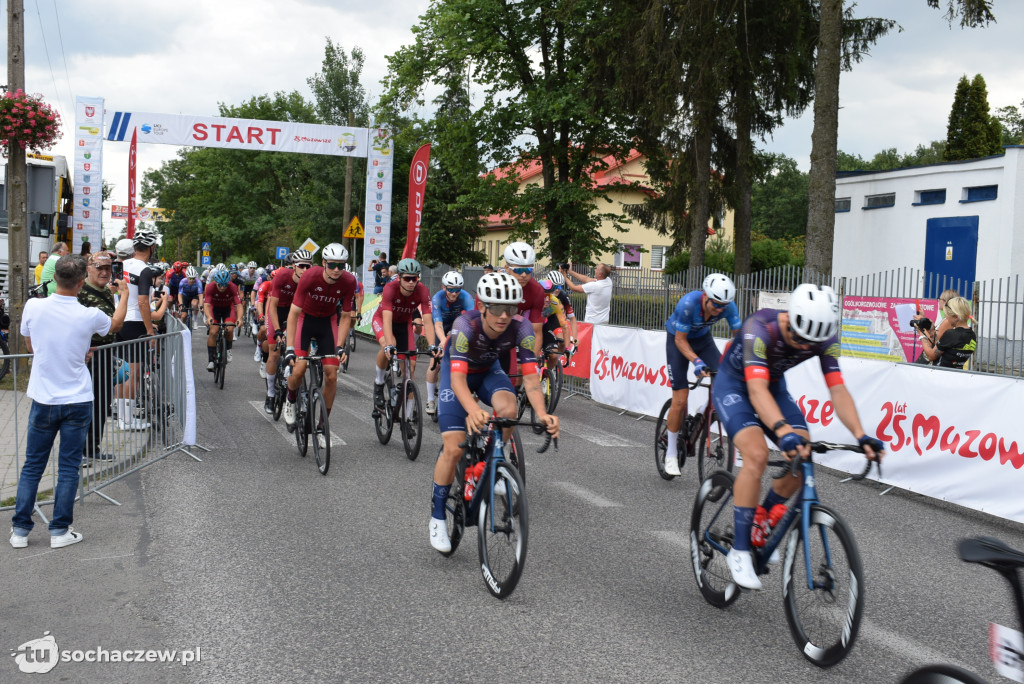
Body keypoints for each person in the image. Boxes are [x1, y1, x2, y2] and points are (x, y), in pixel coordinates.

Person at [711, 284, 885, 590]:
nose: (804, 347)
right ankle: (739, 550)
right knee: (756, 456)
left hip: (774, 388)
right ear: (790, 319)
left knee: (802, 455)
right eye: (798, 339)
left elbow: (837, 389)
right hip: (736, 387)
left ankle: (761, 520)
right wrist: (781, 430)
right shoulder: (759, 329)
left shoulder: (824, 337)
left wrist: (861, 435)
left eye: (812, 343)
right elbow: (755, 390)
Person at [428, 272, 560, 553]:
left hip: (489, 371)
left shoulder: (522, 328)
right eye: (498, 309)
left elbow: (531, 379)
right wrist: (474, 410)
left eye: (510, 309)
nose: (504, 316)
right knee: (452, 448)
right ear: (483, 307)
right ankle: (438, 516)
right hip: (459, 376)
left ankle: (491, 466)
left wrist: (542, 414)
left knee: (509, 409)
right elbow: (458, 381)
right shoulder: (465, 325)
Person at [10, 254, 129, 549]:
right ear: (80, 283)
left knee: (32, 466)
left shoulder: (34, 306)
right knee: (68, 467)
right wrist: (125, 295)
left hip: (44, 398)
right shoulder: (88, 314)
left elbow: (30, 343)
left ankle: (20, 532)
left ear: (55, 279)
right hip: (77, 399)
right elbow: (114, 325)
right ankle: (59, 530)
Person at [661, 273, 742, 476]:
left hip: (703, 340)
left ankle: (704, 410)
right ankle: (671, 453)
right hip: (678, 340)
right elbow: (680, 341)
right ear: (705, 296)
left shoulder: (727, 307)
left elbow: (740, 338)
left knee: (725, 381)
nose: (719, 309)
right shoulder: (688, 304)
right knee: (680, 399)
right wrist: (696, 361)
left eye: (723, 305)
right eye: (715, 304)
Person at [282, 244, 357, 445]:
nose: (336, 269)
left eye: (340, 265)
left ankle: (323, 424)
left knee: (332, 375)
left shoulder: (349, 281)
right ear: (324, 263)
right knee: (298, 369)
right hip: (305, 320)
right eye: (332, 264)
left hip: (328, 322)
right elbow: (294, 313)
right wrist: (289, 349)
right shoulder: (310, 276)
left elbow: (346, 316)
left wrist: (340, 346)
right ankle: (290, 399)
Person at [77, 252, 132, 463]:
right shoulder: (82, 292)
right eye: (99, 267)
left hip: (106, 354)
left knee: (101, 403)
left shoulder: (107, 292)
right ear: (88, 268)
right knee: (86, 404)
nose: (104, 272)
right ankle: (81, 450)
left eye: (107, 268)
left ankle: (93, 447)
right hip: (89, 356)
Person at [370, 258, 441, 412]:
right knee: (389, 344)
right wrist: (389, 344)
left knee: (411, 369)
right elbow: (387, 321)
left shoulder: (422, 290)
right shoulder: (390, 288)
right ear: (400, 277)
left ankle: (407, 418)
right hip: (383, 320)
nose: (410, 282)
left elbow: (427, 321)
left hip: (404, 324)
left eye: (414, 278)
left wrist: (432, 345)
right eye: (407, 278)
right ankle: (379, 382)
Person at [116, 227, 161, 430]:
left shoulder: (121, 265)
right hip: (134, 322)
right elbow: (143, 302)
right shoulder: (144, 270)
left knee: (121, 371)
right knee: (133, 372)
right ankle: (127, 420)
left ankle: (121, 415)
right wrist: (149, 330)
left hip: (118, 318)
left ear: (135, 246)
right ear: (151, 248)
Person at [264, 250, 311, 414]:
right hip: (278, 311)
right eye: (301, 266)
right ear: (293, 266)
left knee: (302, 353)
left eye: (308, 266)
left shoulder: (310, 280)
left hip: (296, 313)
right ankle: (270, 395)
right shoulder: (282, 276)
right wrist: (277, 330)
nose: (305, 270)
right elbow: (273, 306)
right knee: (274, 353)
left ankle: (298, 390)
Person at [425, 270, 475, 414]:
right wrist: (442, 341)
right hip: (441, 326)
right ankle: (430, 400)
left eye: (457, 290)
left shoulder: (466, 298)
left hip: (458, 325)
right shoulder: (437, 298)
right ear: (444, 288)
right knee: (435, 363)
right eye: (451, 289)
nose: (454, 293)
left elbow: (471, 322)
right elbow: (438, 326)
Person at [919, 296, 976, 369]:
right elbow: (944, 347)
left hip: (941, 374)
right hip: (957, 374)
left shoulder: (952, 334)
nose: (947, 319)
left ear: (955, 317)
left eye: (947, 316)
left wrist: (921, 333)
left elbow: (931, 356)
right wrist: (932, 332)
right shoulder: (972, 335)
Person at [203, 269, 244, 370]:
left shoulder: (232, 287)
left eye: (225, 285)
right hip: (214, 309)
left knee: (230, 328)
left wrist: (239, 318)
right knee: (213, 331)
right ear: (216, 282)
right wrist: (209, 317)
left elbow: (239, 305)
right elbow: (207, 305)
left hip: (227, 308)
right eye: (220, 285)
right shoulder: (211, 287)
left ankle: (228, 349)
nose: (222, 287)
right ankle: (211, 360)